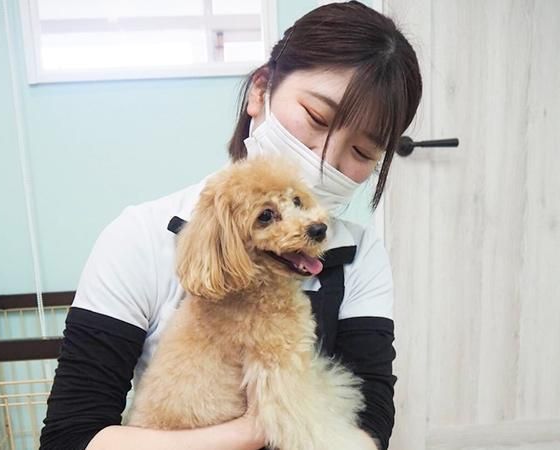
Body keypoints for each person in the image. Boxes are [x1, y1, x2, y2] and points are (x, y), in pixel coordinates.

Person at [39, 2, 422, 449]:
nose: (324, 161)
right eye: (317, 118)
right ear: (260, 90)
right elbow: (71, 437)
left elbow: (370, 426)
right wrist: (256, 429)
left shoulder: (361, 252)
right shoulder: (138, 237)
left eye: (362, 152)